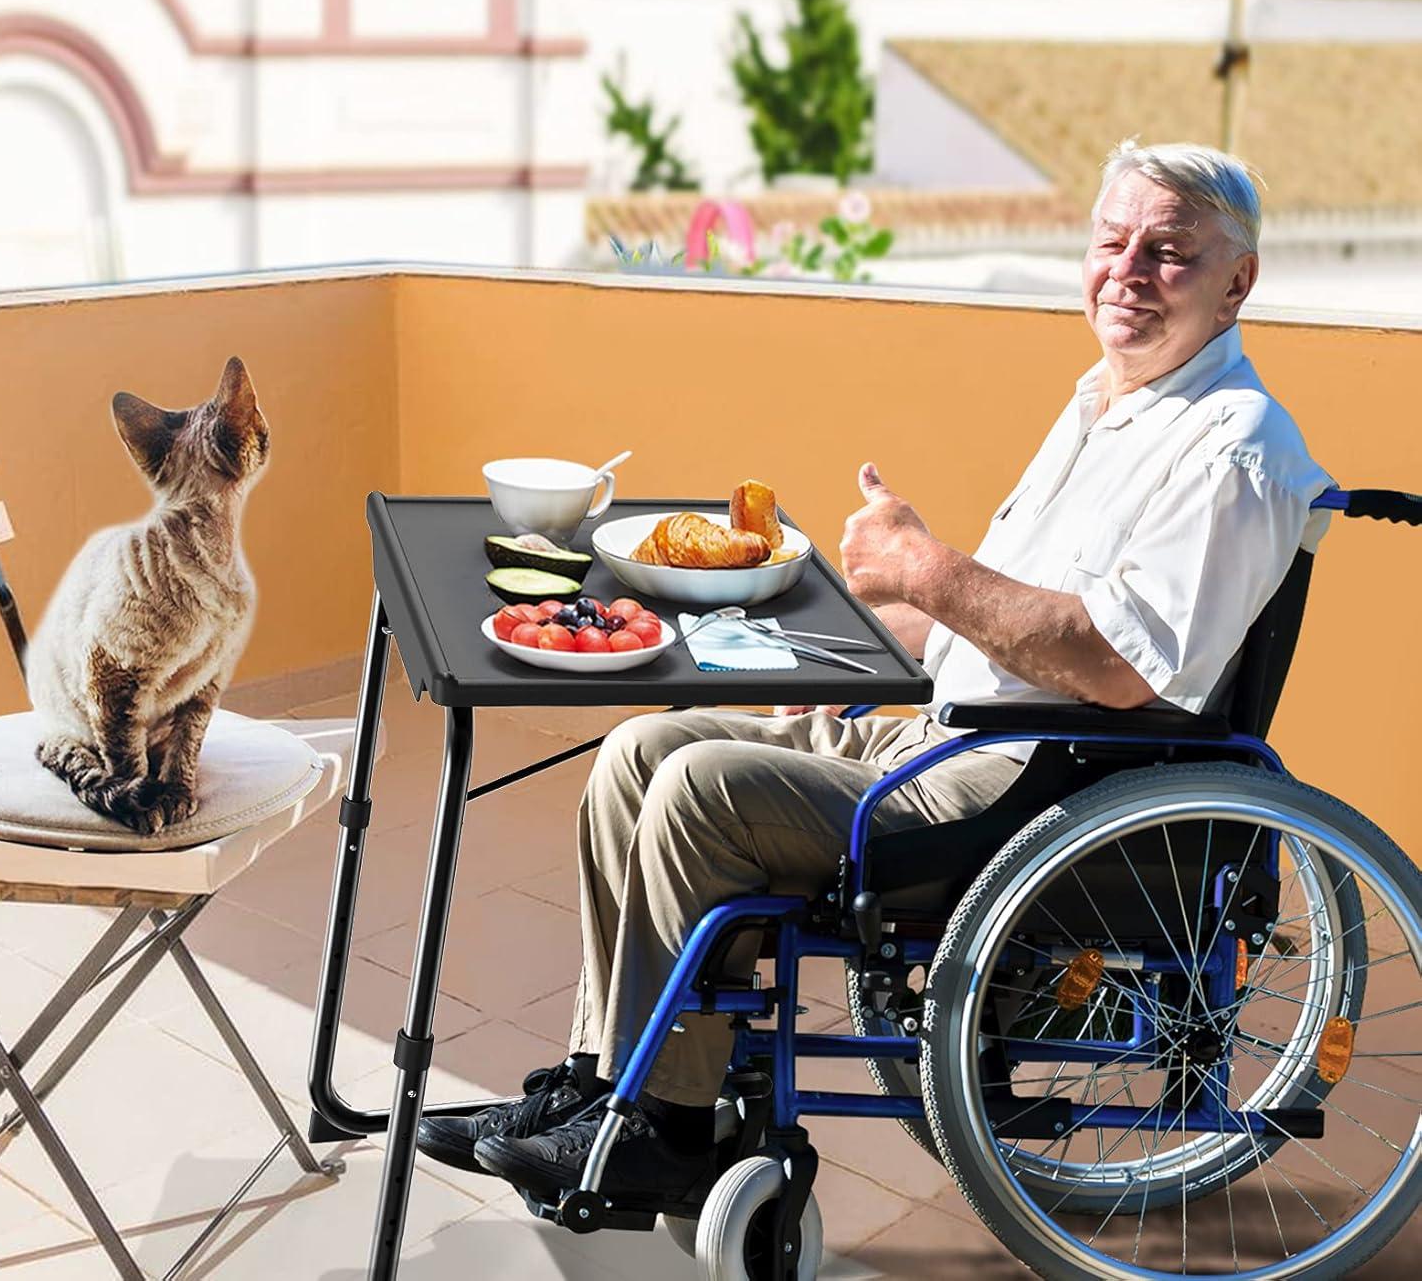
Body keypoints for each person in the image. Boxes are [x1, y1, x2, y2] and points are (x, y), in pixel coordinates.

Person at [416, 139, 1334, 1210]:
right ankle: (597, 1082)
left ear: (1239, 281)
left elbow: (1121, 662)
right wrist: (864, 622)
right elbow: (1016, 610)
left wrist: (930, 569)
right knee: (642, 748)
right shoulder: (1107, 403)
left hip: (1042, 777)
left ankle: (665, 1130)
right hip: (955, 725)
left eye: (1168, 253)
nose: (1127, 271)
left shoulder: (1232, 446)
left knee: (703, 791)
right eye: (1111, 240)